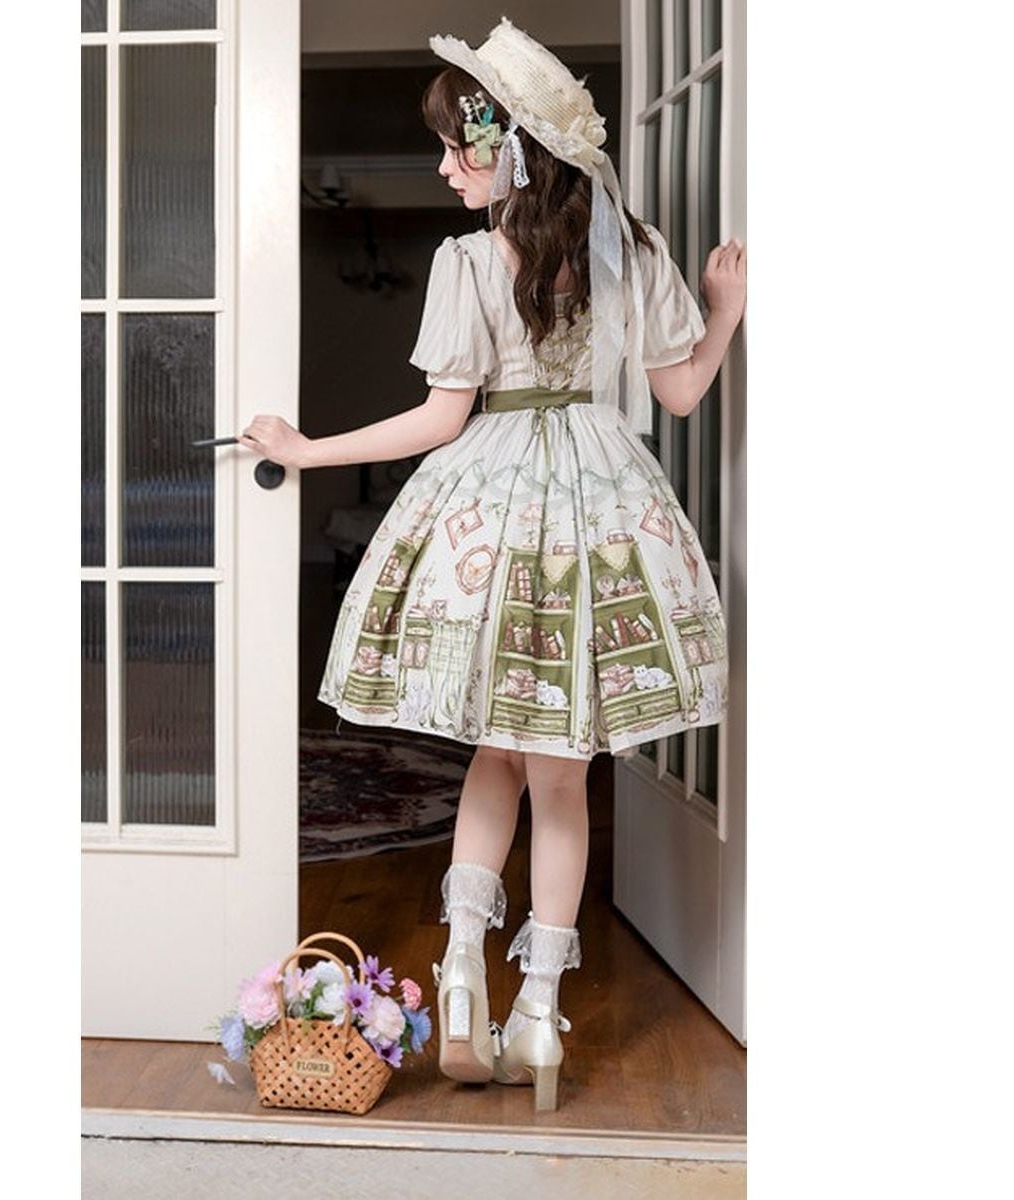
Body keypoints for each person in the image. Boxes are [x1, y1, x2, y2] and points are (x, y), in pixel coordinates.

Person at [238, 17, 746, 1112]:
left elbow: (439, 420)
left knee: (494, 755)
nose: (442, 167)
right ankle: (541, 1015)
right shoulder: (636, 249)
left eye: (455, 147)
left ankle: (463, 970)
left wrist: (306, 449)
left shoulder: (468, 261)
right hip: (605, 505)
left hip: (491, 507)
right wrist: (723, 316)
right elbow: (679, 394)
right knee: (561, 773)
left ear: (510, 150)